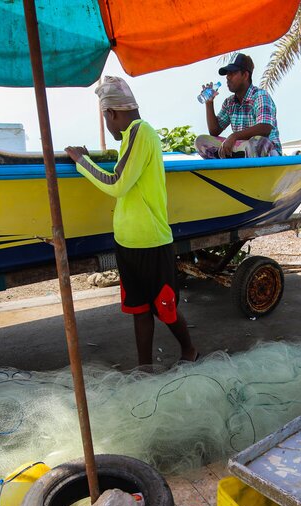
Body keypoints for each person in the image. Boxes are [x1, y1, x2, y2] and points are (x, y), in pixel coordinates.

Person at [65, 76, 197, 367]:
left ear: (111, 113)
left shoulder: (141, 132)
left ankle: (189, 350)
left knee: (165, 308)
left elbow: (117, 184)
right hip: (128, 242)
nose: (107, 124)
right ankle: (144, 366)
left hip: (152, 241)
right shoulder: (129, 138)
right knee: (139, 308)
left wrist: (82, 162)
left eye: (105, 117)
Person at [195, 53, 282, 159]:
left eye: (232, 73)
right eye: (227, 74)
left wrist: (234, 136)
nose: (228, 77)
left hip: (267, 153)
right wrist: (209, 103)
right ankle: (230, 162)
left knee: (258, 142)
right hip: (242, 150)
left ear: (245, 75)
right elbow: (214, 131)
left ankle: (236, 160)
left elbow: (265, 128)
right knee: (201, 141)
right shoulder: (229, 103)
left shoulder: (260, 96)